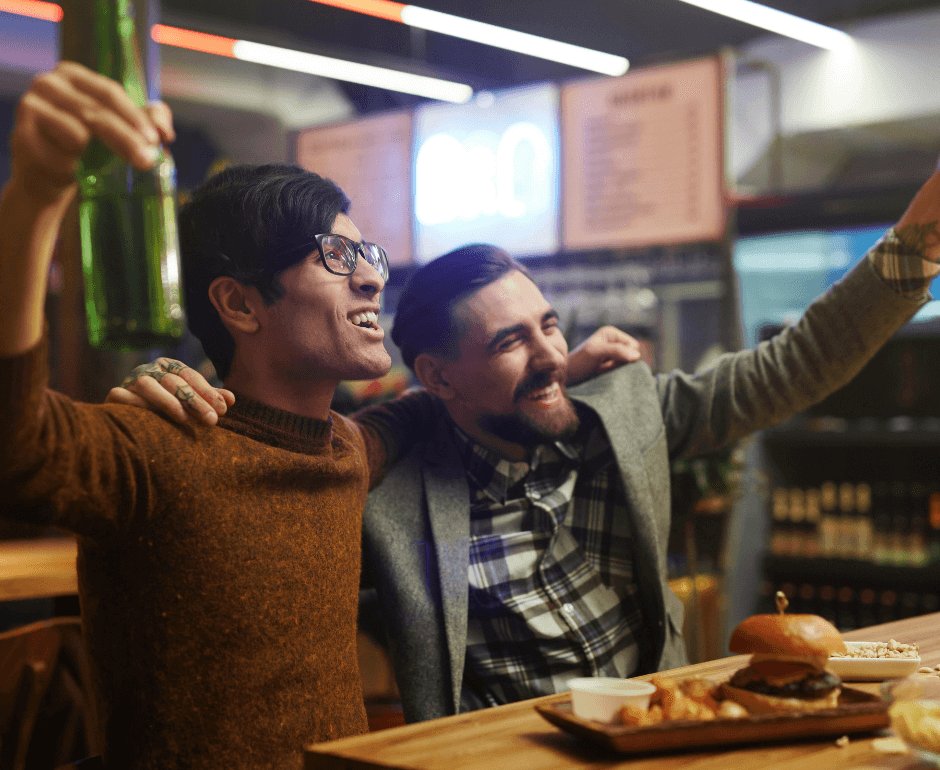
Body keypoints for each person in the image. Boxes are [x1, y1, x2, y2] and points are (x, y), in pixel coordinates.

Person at [114, 167, 940, 725]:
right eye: (511, 342)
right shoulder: (387, 484)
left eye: (551, 326)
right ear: (437, 378)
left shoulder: (621, 416)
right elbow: (272, 470)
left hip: (669, 736)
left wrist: (918, 246)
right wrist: (173, 378)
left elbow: (794, 364)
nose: (551, 354)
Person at [0, 61, 444, 768]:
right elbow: (18, 445)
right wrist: (33, 199)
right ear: (239, 304)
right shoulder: (160, 446)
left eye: (366, 252)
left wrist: (546, 370)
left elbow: (424, 411)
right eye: (335, 254)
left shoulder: (344, 451)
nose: (371, 275)